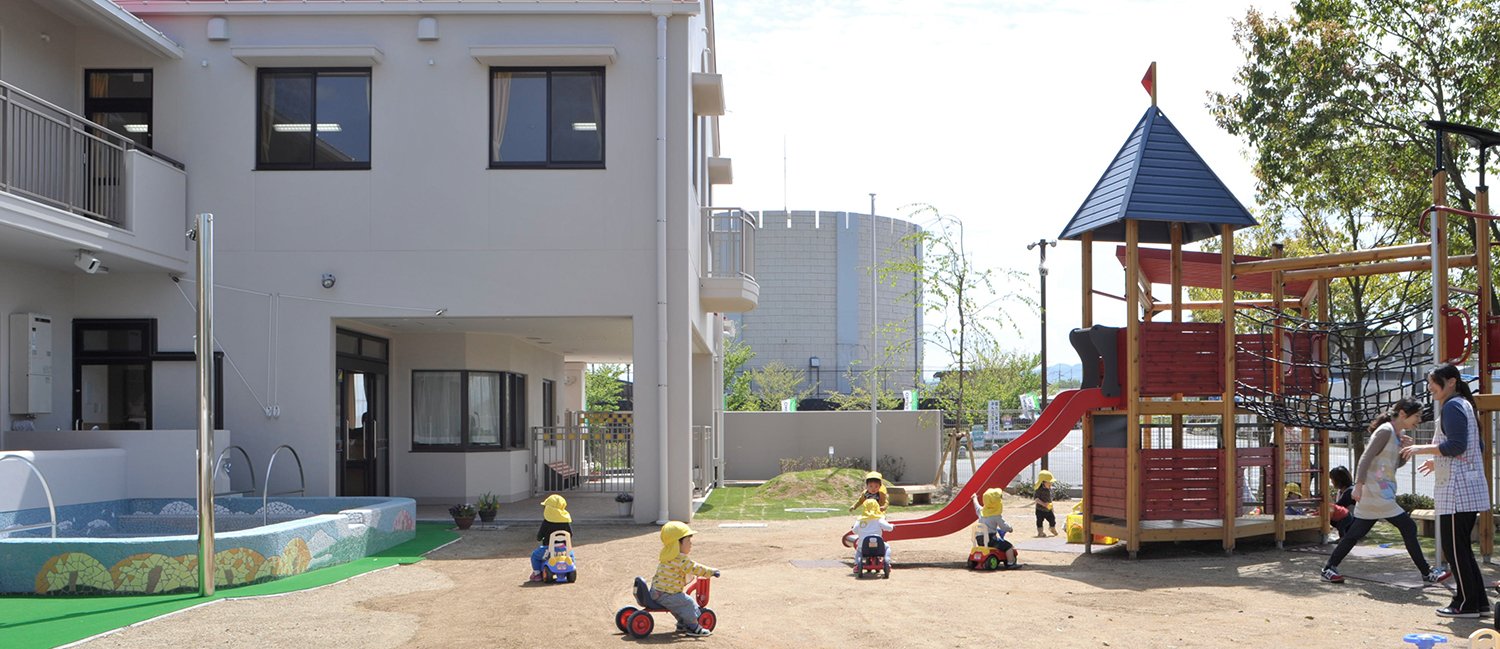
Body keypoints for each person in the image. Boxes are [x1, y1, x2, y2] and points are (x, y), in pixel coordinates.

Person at [1319, 398, 1441, 586]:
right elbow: (1365, 457)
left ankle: (1329, 568)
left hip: (1379, 492)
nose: (1419, 420)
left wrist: (1403, 449)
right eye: (1416, 416)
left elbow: (1395, 464)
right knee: (1409, 527)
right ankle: (1427, 572)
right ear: (1403, 414)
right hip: (1376, 493)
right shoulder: (1385, 431)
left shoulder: (1395, 434)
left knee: (1354, 534)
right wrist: (1358, 485)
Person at [1403, 363, 1492, 618]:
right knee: (1460, 548)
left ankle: (1464, 604)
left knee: (1455, 550)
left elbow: (1457, 446)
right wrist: (1437, 459)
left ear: (1451, 381)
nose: (1430, 387)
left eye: (1434, 382)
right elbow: (1478, 446)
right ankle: (1479, 603)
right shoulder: (1464, 404)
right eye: (1429, 382)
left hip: (1456, 492)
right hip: (1468, 489)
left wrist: (1421, 449)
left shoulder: (1452, 406)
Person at [652, 522, 720, 636]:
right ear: (678, 543)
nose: (691, 544)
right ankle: (693, 627)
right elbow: (694, 568)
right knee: (688, 602)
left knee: (679, 602)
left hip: (657, 592)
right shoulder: (680, 559)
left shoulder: (667, 556)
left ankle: (682, 623)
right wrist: (711, 572)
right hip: (666, 594)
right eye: (688, 541)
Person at [530, 494, 572, 582]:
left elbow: (540, 534)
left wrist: (539, 538)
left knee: (535, 555)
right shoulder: (565, 521)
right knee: (571, 555)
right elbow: (570, 534)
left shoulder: (546, 522)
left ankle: (537, 573)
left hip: (548, 550)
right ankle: (571, 567)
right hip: (563, 550)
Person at [851, 499, 894, 573]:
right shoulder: (879, 519)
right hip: (878, 546)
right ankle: (886, 560)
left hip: (864, 546)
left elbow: (854, 531)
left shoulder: (860, 520)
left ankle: (857, 565)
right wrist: (892, 526)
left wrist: (853, 528)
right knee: (887, 547)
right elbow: (888, 528)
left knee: (858, 550)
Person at [1328, 466, 1356, 538]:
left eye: (1332, 480)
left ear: (1338, 480)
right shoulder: (1341, 491)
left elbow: (1337, 506)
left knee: (1329, 515)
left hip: (1353, 520)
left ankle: (1344, 537)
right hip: (1349, 518)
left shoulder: (1349, 492)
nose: (1331, 482)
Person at [1034, 470, 1058, 538]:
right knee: (1039, 521)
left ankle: (1052, 528)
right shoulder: (1038, 489)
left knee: (1052, 519)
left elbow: (1050, 499)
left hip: (1048, 509)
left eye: (1051, 483)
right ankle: (1040, 531)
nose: (1050, 485)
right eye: (1049, 483)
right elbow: (1036, 499)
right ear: (1043, 482)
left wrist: (1052, 507)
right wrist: (1043, 504)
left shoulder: (1049, 489)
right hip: (1040, 509)